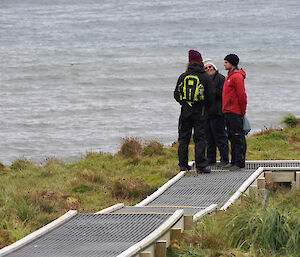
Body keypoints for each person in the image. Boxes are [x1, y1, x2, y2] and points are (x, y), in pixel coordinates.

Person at [174, 50, 213, 174]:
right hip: (200, 112)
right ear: (201, 61)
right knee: (200, 138)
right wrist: (204, 107)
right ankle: (201, 165)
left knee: (184, 138)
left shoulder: (183, 76)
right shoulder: (205, 77)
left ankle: (183, 165)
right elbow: (210, 97)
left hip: (185, 112)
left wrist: (185, 104)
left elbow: (176, 95)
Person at [222, 54, 247, 171]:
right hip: (228, 111)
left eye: (226, 62)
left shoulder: (237, 77)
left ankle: (239, 162)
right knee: (231, 137)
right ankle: (233, 161)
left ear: (232, 63)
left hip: (235, 111)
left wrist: (242, 112)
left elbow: (242, 95)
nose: (224, 64)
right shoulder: (229, 76)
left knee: (238, 137)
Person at [203, 59, 229, 166]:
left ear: (214, 68)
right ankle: (211, 159)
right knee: (209, 139)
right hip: (206, 113)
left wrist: (210, 91)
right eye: (206, 68)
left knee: (220, 137)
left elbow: (222, 93)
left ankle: (224, 159)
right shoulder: (203, 79)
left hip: (218, 113)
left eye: (210, 67)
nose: (208, 69)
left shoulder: (220, 78)